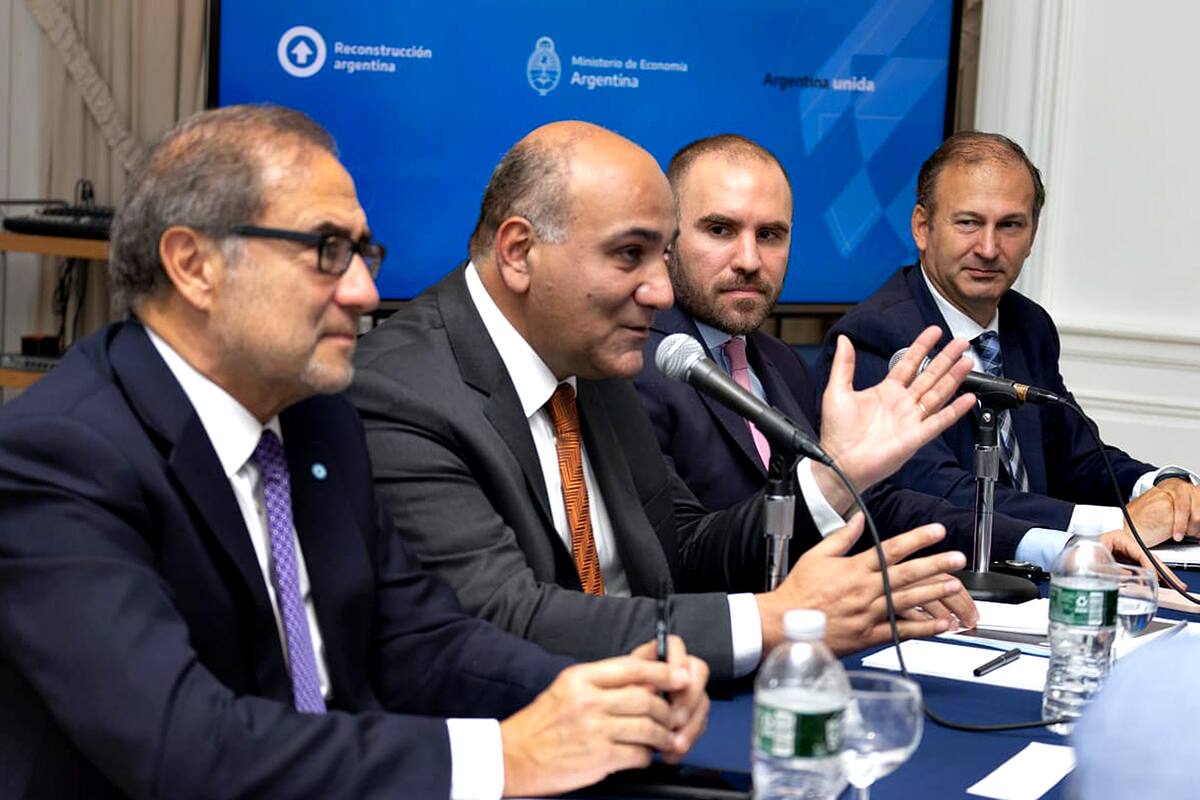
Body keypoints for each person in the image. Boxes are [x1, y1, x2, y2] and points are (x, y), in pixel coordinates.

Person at [0, 105, 710, 800]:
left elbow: (417, 637)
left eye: (363, 253)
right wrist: (502, 757)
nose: (366, 293)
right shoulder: (60, 456)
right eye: (326, 253)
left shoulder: (320, 423)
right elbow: (182, 745)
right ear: (194, 265)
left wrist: (592, 696)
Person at [350, 120, 979, 685]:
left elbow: (681, 547)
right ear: (519, 253)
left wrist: (835, 473)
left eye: (662, 255)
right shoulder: (402, 390)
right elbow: (499, 619)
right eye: (630, 255)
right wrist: (770, 619)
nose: (657, 291)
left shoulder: (590, 361)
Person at [635, 133, 1044, 566]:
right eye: (720, 230)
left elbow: (868, 507)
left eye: (771, 234)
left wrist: (1045, 545)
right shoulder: (635, 367)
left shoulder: (783, 362)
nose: (750, 260)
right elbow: (681, 555)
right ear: (668, 238)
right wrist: (829, 482)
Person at [817, 132, 1199, 568]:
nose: (988, 248)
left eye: (1010, 225)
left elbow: (1079, 457)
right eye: (968, 223)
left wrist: (1162, 489)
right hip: (940, 580)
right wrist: (1119, 523)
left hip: (1036, 579)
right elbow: (937, 490)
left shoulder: (1028, 324)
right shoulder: (878, 334)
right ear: (922, 227)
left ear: (1032, 236)